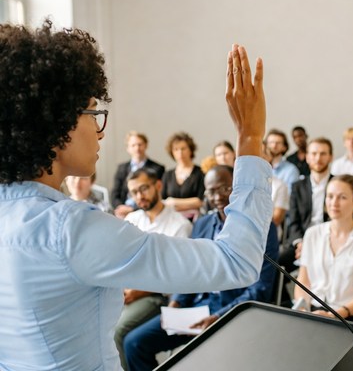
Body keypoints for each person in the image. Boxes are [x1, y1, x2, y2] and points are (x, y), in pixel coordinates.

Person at [0, 19, 272, 371]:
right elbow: (236, 261)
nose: (100, 133)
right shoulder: (70, 229)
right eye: (93, 112)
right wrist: (250, 139)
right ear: (58, 121)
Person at [123, 165, 279, 371]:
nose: (218, 196)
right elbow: (188, 270)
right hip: (198, 307)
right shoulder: (203, 224)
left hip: (234, 310)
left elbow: (260, 289)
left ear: (237, 188)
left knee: (200, 359)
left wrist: (219, 316)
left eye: (225, 188)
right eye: (211, 191)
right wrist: (176, 303)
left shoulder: (261, 228)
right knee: (134, 343)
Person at [114, 168, 193, 370]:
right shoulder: (132, 220)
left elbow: (177, 276)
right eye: (134, 192)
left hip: (156, 296)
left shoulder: (179, 224)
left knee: (118, 331)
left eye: (144, 189)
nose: (140, 196)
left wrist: (138, 291)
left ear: (158, 185)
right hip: (126, 291)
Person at [294, 175, 353, 334]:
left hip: (351, 316)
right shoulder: (312, 234)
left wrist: (333, 316)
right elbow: (303, 281)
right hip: (314, 310)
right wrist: (303, 309)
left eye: (342, 197)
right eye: (330, 196)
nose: (334, 203)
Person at [279, 138, 333, 275]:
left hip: (330, 242)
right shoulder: (297, 187)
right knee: (275, 265)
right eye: (314, 154)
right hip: (301, 241)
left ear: (330, 157)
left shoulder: (338, 184)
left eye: (323, 154)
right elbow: (293, 221)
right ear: (307, 157)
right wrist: (300, 243)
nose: (318, 158)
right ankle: (286, 297)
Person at [111, 131, 165, 218]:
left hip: (145, 211)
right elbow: (115, 193)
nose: (137, 148)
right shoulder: (122, 168)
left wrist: (133, 210)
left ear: (146, 145)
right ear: (128, 148)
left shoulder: (157, 168)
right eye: (133, 145)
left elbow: (157, 196)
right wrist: (121, 208)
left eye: (140, 144)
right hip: (122, 212)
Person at [162, 132, 205, 221]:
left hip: (194, 220)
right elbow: (163, 201)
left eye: (183, 148)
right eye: (176, 149)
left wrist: (174, 202)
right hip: (170, 220)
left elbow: (200, 201)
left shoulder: (200, 173)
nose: (180, 153)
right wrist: (189, 204)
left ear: (190, 150)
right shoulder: (168, 175)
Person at [263, 129, 300, 193]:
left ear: (284, 147)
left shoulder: (291, 170)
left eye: (278, 143)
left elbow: (291, 196)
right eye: (271, 142)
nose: (274, 146)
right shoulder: (259, 168)